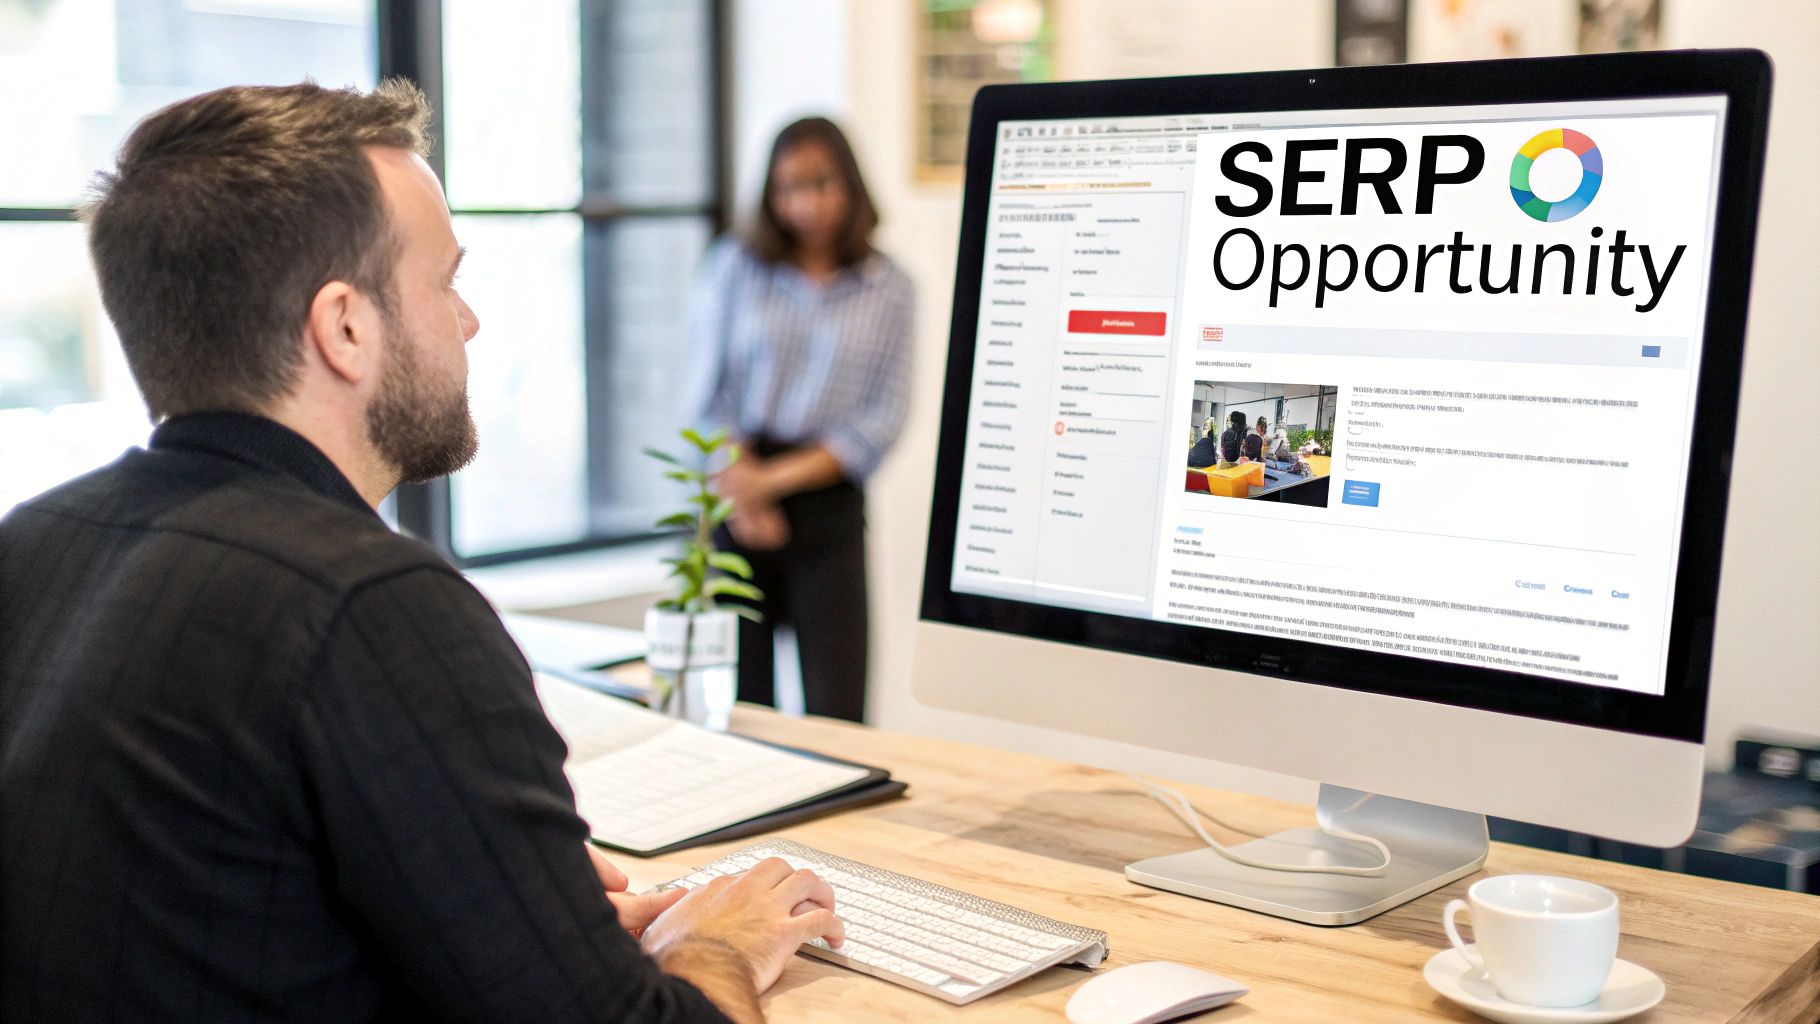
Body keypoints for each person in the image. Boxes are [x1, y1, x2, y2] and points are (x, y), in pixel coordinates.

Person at [0, 81, 841, 1024]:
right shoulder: (372, 604)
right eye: (444, 281)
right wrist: (715, 943)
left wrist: (505, 905)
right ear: (345, 327)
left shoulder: (33, 544)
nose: (468, 320)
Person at [681, 117, 913, 724]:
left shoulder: (890, 287)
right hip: (736, 490)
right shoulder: (736, 266)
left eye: (821, 183)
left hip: (827, 501)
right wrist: (745, 494)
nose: (806, 204)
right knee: (741, 712)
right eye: (788, 188)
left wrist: (770, 484)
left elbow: (882, 419)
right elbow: (707, 391)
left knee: (840, 712)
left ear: (851, 184)